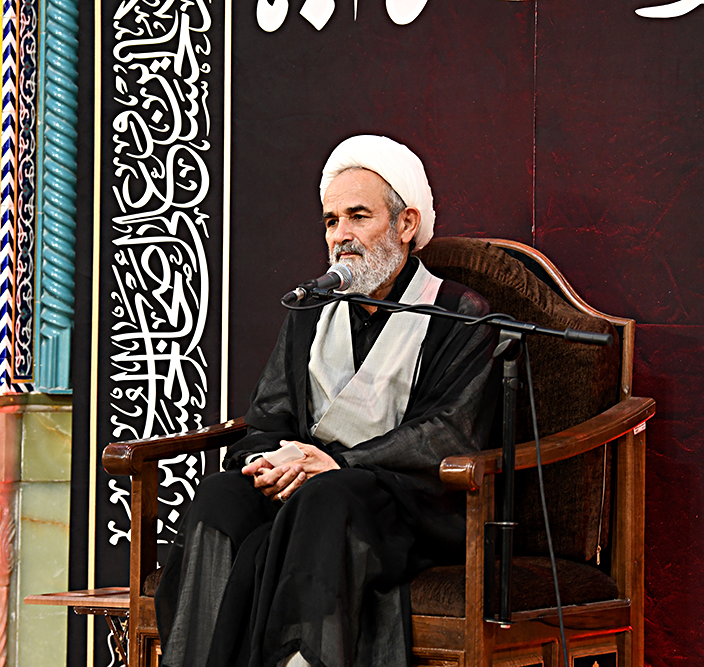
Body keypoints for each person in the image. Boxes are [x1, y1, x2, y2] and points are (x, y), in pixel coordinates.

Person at [154, 135, 499, 667]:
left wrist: (340, 464)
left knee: (328, 497)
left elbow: (449, 432)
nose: (341, 236)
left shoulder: (459, 313)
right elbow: (268, 418)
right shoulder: (311, 311)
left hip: (405, 501)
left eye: (358, 216)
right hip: (309, 486)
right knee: (222, 496)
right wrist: (275, 462)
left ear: (406, 224)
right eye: (331, 221)